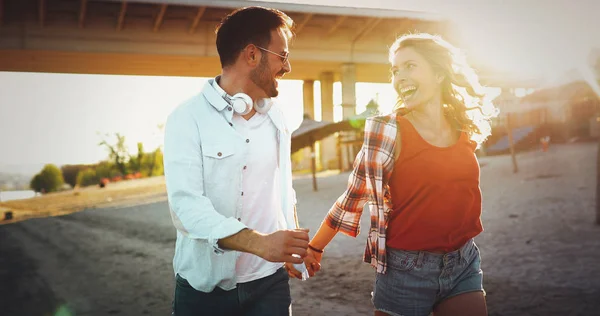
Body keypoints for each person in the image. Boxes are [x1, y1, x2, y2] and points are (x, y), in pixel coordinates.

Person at [304, 33, 498, 316]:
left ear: (439, 73)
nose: (399, 77)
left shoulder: (463, 127)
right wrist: (315, 248)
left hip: (463, 261)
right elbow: (353, 196)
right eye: (395, 70)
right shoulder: (388, 131)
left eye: (410, 66)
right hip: (405, 270)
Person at [163, 6, 309, 316]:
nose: (288, 67)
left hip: (270, 283)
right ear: (252, 55)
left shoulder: (278, 117)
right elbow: (185, 208)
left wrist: (289, 246)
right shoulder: (186, 118)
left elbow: (282, 190)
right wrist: (260, 243)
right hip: (205, 292)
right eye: (282, 56)